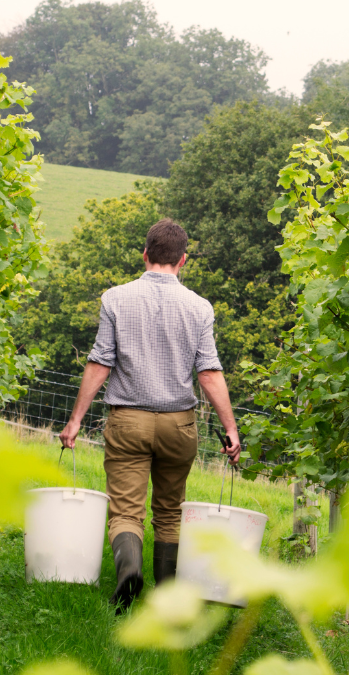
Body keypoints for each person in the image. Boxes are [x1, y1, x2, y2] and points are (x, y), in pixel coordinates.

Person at [59, 218, 240, 613]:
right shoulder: (200, 307)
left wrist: (74, 420)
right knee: (170, 511)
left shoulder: (115, 299)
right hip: (180, 425)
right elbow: (209, 373)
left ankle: (129, 572)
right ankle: (168, 598)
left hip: (128, 421)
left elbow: (99, 363)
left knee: (126, 510)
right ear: (183, 261)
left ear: (145, 255)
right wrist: (230, 428)